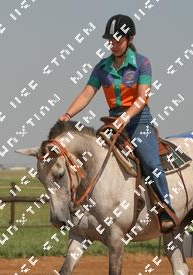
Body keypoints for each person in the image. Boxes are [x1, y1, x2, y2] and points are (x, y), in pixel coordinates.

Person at [58, 14, 176, 232]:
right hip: (113, 122)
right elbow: (87, 93)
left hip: (139, 121)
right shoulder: (102, 67)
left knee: (151, 162)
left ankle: (165, 209)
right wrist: (67, 114)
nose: (113, 44)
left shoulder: (142, 63)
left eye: (118, 40)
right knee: (91, 158)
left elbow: (143, 98)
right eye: (110, 40)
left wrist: (126, 117)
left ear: (130, 39)